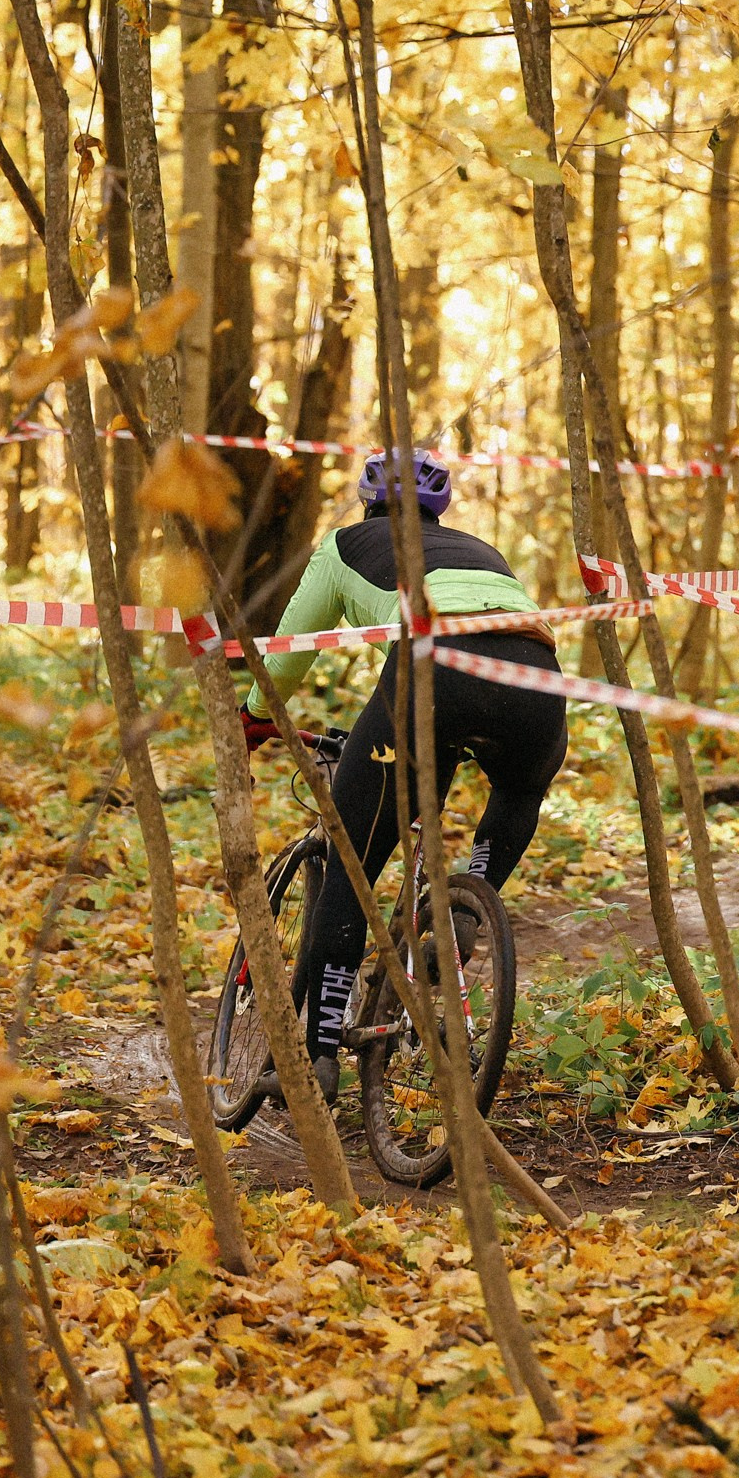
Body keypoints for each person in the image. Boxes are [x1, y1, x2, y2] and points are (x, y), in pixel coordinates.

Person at [237, 448, 567, 1101]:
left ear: (369, 500)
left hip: (433, 673)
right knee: (522, 784)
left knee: (351, 866)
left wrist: (254, 717)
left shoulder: (343, 546)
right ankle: (464, 899)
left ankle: (320, 1051)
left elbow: (290, 655)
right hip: (536, 681)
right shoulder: (481, 551)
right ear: (439, 509)